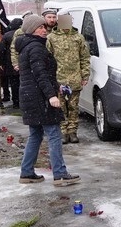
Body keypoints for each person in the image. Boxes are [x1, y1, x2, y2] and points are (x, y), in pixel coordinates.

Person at [17, 14, 80, 187]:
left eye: (44, 27)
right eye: (40, 27)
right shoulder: (36, 47)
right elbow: (40, 74)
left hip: (30, 96)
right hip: (40, 98)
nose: (44, 30)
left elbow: (40, 74)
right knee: (54, 134)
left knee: (35, 135)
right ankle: (60, 174)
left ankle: (27, 172)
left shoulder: (27, 46)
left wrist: (57, 86)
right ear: (32, 30)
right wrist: (51, 95)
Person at [47, 10, 91, 143]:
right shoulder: (52, 37)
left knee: (73, 107)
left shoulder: (78, 37)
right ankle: (63, 132)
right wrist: (50, 78)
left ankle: (72, 131)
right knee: (60, 107)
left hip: (75, 78)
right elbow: (48, 59)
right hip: (59, 78)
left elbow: (84, 57)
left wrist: (85, 75)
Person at [0, 16, 23, 108]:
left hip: (10, 63)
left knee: (14, 84)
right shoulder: (24, 34)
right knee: (22, 83)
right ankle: (22, 100)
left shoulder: (6, 35)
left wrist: (1, 62)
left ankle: (16, 102)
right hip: (22, 61)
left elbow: (2, 50)